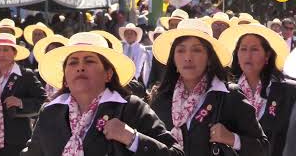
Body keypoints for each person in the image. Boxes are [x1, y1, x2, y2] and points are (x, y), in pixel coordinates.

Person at [21, 32, 184, 156]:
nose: (80, 67)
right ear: (65, 78)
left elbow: (175, 153)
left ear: (108, 74)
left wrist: (132, 139)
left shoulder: (131, 108)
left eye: (89, 61)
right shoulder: (50, 111)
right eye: (73, 62)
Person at [151, 19, 269, 156]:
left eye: (196, 50)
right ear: (173, 58)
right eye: (181, 50)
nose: (188, 57)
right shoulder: (161, 99)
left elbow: (263, 148)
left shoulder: (229, 96)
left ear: (209, 58)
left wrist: (232, 139)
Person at [219, 24, 296, 156]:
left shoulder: (288, 91)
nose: (248, 55)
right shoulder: (225, 91)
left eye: (254, 49)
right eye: (243, 49)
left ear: (267, 56)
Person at [0, 33, 47, 156]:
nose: (1, 54)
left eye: (6, 49)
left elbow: (44, 102)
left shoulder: (26, 75)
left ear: (14, 53)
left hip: (16, 141)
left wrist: (21, 103)